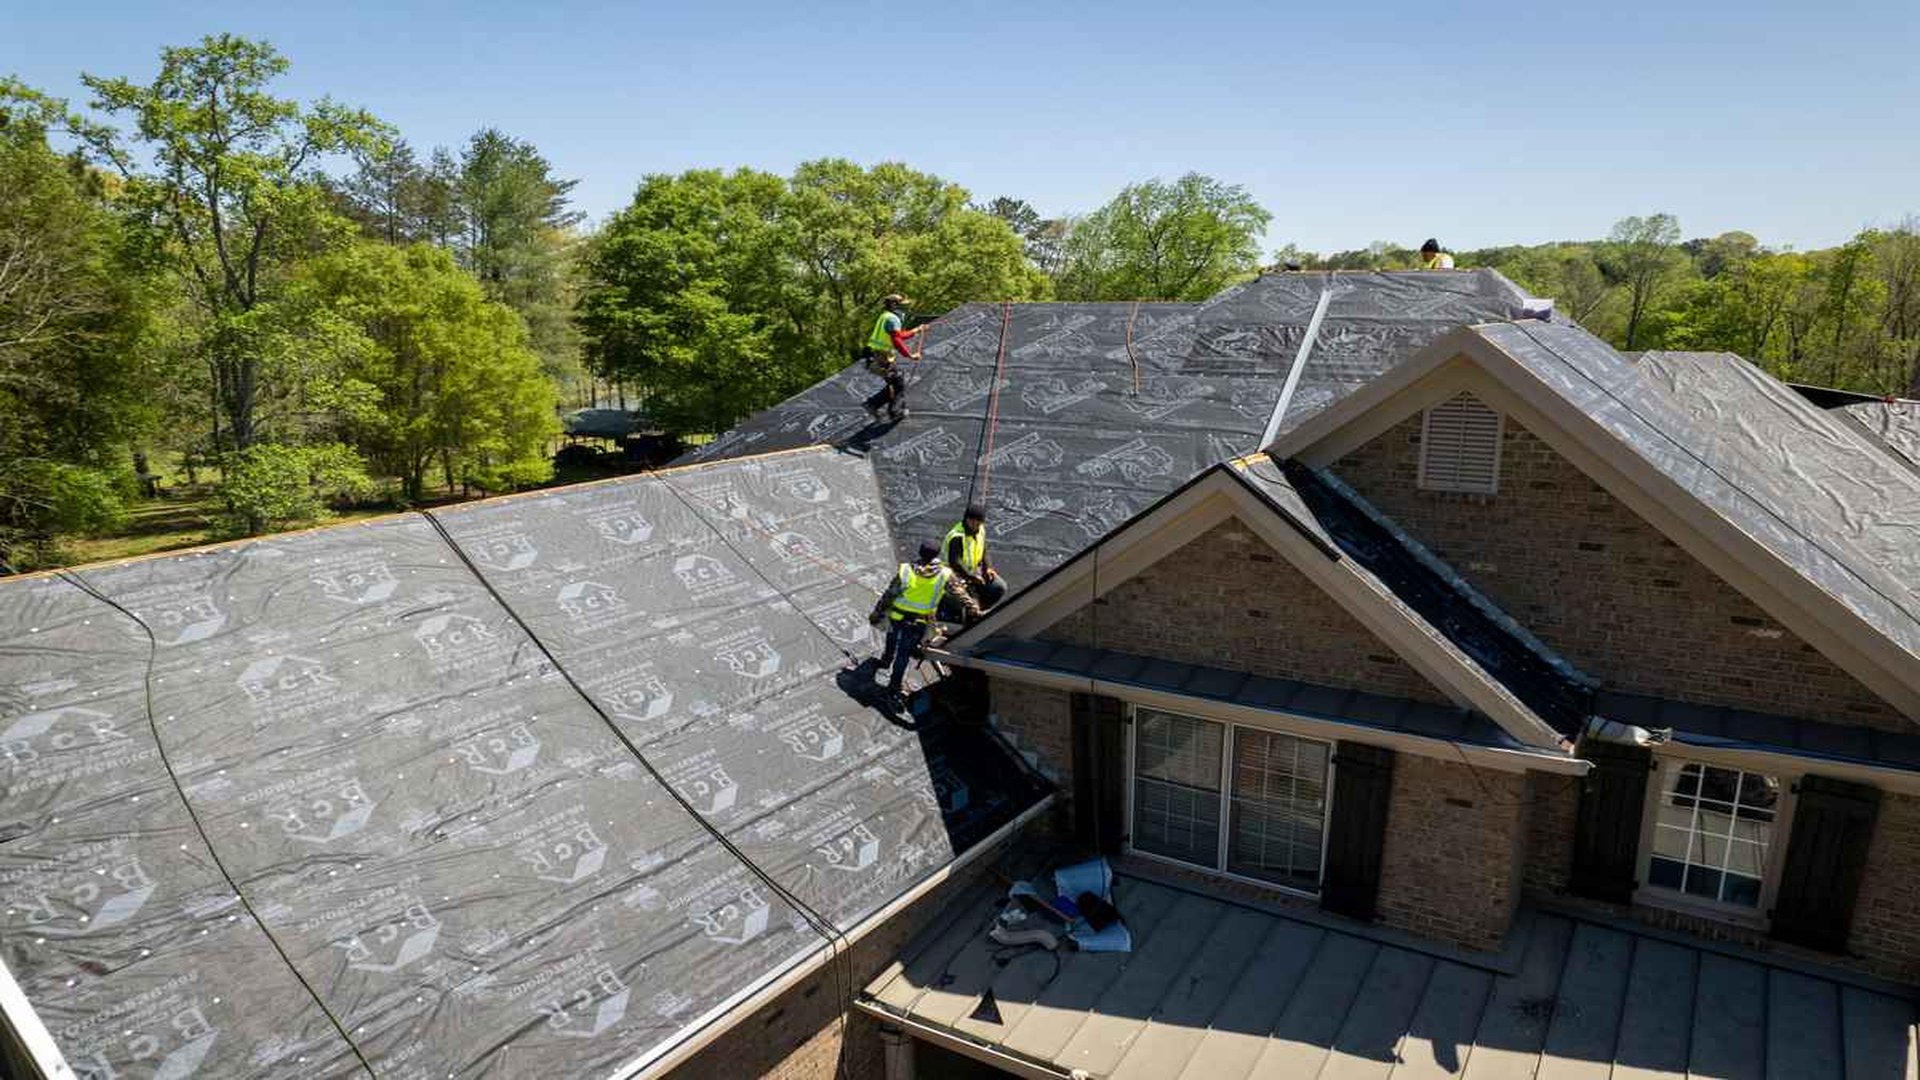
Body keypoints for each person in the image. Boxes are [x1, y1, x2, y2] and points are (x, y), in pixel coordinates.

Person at [870, 541, 951, 709]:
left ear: (920, 553)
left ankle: (885, 660)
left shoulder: (906, 570)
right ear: (936, 556)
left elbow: (890, 594)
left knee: (891, 638)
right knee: (904, 655)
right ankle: (894, 685)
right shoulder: (945, 574)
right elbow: (957, 592)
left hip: (897, 616)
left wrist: (878, 611)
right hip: (918, 621)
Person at [862, 294, 923, 422]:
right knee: (898, 383)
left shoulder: (886, 316)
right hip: (880, 356)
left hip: (874, 354)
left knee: (895, 382)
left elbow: (899, 335)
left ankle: (873, 404)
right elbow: (896, 340)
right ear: (894, 305)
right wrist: (910, 355)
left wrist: (916, 330)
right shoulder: (893, 319)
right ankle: (895, 412)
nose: (906, 306)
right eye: (903, 304)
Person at [942, 503, 1005, 624]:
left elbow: (983, 548)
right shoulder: (957, 536)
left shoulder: (980, 530)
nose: (975, 524)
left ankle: (981, 610)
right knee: (970, 603)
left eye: (978, 522)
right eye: (972, 521)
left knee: (999, 587)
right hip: (954, 574)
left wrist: (988, 568)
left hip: (973, 569)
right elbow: (955, 562)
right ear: (966, 519)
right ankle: (970, 617)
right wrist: (971, 577)